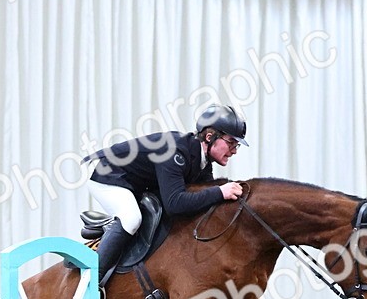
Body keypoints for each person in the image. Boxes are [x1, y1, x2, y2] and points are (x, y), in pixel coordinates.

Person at [84, 104, 248, 284]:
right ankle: (92, 280)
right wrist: (220, 192)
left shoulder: (202, 161)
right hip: (108, 176)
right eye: (231, 143)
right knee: (131, 219)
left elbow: (201, 198)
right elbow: (175, 204)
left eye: (236, 145)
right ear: (210, 137)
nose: (234, 150)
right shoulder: (175, 153)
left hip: (135, 184)